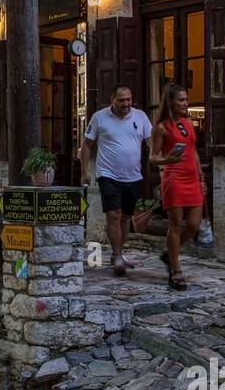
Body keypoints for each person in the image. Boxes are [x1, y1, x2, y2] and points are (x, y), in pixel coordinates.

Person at [80, 86, 152, 276]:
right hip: (108, 174)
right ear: (113, 99)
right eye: (122, 100)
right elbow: (87, 145)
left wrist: (160, 161)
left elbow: (151, 142)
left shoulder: (141, 117)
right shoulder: (99, 117)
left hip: (133, 176)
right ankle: (118, 256)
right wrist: (85, 171)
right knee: (114, 214)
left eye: (129, 99)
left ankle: (117, 253)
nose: (126, 104)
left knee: (126, 217)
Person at [149, 82, 205, 290]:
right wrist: (167, 161)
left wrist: (201, 178)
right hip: (173, 179)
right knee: (175, 225)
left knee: (194, 225)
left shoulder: (188, 123)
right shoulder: (162, 127)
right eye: (181, 100)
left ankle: (169, 255)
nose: (185, 103)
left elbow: (194, 152)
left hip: (192, 178)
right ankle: (176, 270)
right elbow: (152, 157)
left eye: (186, 99)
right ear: (171, 102)